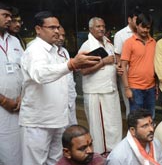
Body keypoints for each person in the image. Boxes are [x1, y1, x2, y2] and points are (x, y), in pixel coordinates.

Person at [19, 11, 100, 165]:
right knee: (35, 162)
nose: (57, 31)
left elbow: (65, 82)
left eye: (57, 27)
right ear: (38, 29)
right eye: (51, 28)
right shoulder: (34, 50)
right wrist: (71, 64)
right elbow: (40, 74)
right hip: (39, 121)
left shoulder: (58, 51)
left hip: (59, 119)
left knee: (57, 161)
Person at [78, 17, 122, 156]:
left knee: (113, 124)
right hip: (96, 92)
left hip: (111, 89)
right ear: (91, 29)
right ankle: (100, 155)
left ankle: (115, 152)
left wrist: (117, 68)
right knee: (99, 126)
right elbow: (83, 71)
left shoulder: (108, 43)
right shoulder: (87, 46)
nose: (101, 29)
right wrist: (103, 62)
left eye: (103, 26)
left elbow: (112, 63)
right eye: (98, 26)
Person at [121, 13, 157, 118]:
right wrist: (127, 88)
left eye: (148, 28)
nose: (145, 30)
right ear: (137, 25)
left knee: (150, 117)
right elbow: (123, 66)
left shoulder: (153, 42)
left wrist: (156, 85)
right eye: (143, 27)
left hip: (151, 88)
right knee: (137, 120)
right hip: (135, 88)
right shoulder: (129, 43)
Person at [0, 2, 23, 165]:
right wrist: (4, 100)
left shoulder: (14, 41)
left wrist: (23, 96)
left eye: (10, 16)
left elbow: (25, 71)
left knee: (19, 149)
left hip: (18, 106)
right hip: (2, 107)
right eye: (5, 16)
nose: (9, 19)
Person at [114, 9, 141, 117]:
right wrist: (119, 68)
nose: (139, 22)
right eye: (136, 19)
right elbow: (118, 56)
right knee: (131, 106)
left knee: (141, 107)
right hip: (127, 77)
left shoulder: (142, 32)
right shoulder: (120, 34)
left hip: (141, 78)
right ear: (129, 19)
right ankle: (132, 131)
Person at [56, 26, 78, 126]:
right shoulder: (45, 51)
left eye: (63, 35)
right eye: (58, 35)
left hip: (70, 97)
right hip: (57, 100)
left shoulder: (64, 51)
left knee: (71, 128)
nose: (61, 38)